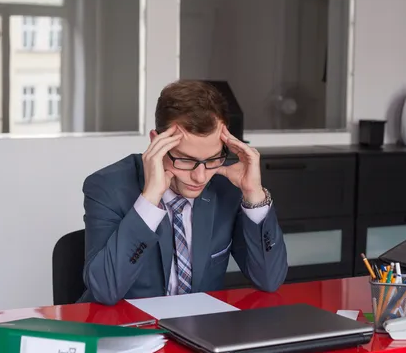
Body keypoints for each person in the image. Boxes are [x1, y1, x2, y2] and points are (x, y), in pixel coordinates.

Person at [79, 79, 288, 306]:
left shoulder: (227, 183)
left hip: (200, 332)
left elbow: (269, 280)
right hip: (127, 330)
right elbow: (104, 290)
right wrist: (149, 199)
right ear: (157, 142)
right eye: (185, 160)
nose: (200, 176)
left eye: (212, 158)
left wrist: (254, 194)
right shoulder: (107, 186)